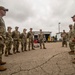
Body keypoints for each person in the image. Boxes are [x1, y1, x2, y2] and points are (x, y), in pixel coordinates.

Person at [0, 6, 8, 71]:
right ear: (0, 10)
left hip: (2, 37)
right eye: (4, 10)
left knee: (0, 50)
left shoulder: (1, 18)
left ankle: (0, 61)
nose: (5, 12)